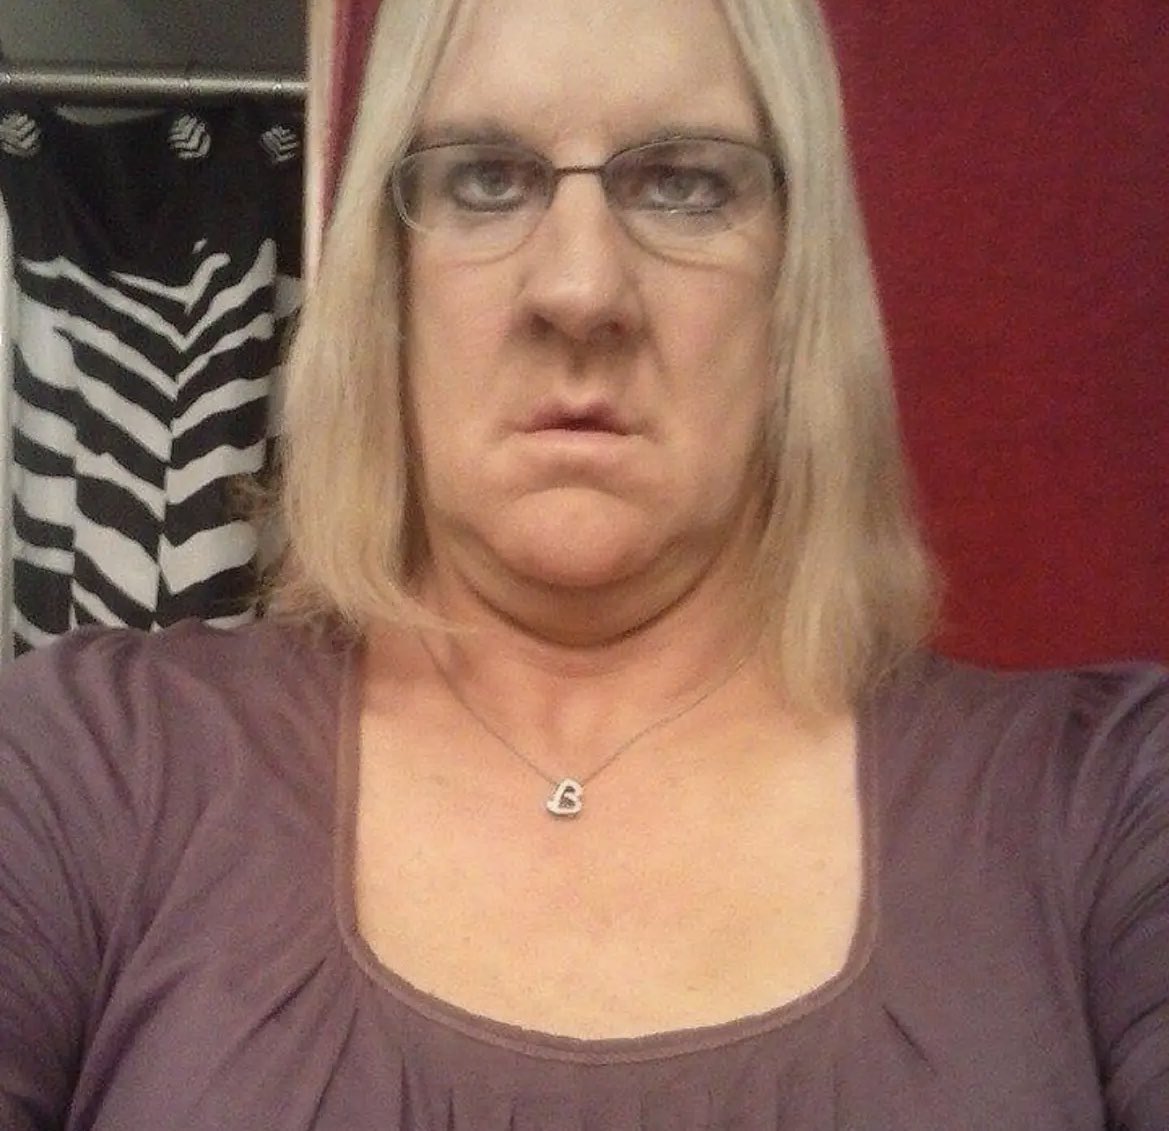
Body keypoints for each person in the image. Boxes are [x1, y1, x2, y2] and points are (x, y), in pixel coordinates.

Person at [0, 0, 1165, 1127]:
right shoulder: (83, 771)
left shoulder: (1103, 809)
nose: (578, 290)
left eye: (683, 184)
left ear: (795, 282)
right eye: (483, 179)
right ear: (388, 276)